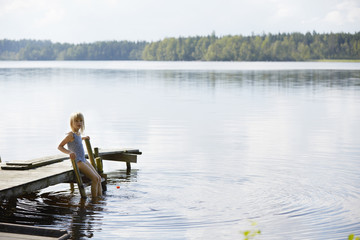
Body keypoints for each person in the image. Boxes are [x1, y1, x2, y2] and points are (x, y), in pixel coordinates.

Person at [58, 112, 102, 198]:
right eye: (76, 121)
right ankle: (95, 202)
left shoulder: (78, 134)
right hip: (78, 161)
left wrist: (84, 138)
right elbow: (60, 146)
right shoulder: (70, 135)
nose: (79, 123)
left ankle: (100, 199)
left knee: (99, 178)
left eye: (81, 121)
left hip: (83, 159)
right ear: (72, 123)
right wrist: (69, 152)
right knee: (95, 179)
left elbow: (76, 142)